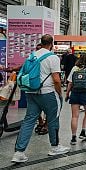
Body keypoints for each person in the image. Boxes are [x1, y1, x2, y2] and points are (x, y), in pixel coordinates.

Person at [12, 35, 70, 163]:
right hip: (48, 93)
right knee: (53, 119)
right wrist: (59, 93)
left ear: (41, 43)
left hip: (31, 92)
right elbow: (56, 80)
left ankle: (19, 152)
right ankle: (55, 147)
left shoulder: (32, 56)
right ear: (51, 44)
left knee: (29, 120)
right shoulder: (53, 57)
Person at [65, 53, 86, 145]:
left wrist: (67, 94)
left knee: (74, 116)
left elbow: (70, 83)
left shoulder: (74, 68)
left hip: (75, 93)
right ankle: (83, 132)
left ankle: (73, 137)